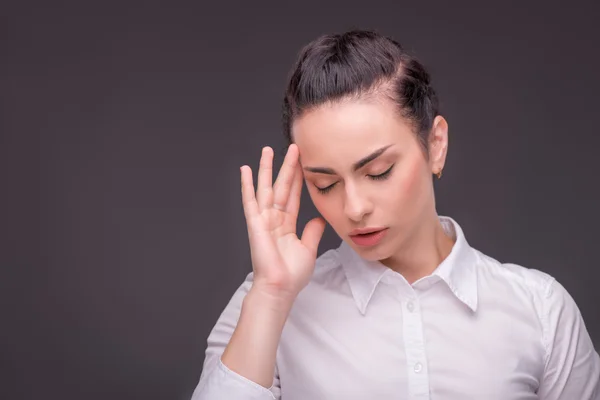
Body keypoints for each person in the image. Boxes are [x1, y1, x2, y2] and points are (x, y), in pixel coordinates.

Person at [191, 29, 600, 399]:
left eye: (378, 172)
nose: (354, 208)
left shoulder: (540, 310)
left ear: (435, 144)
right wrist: (272, 297)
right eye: (325, 184)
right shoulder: (267, 304)